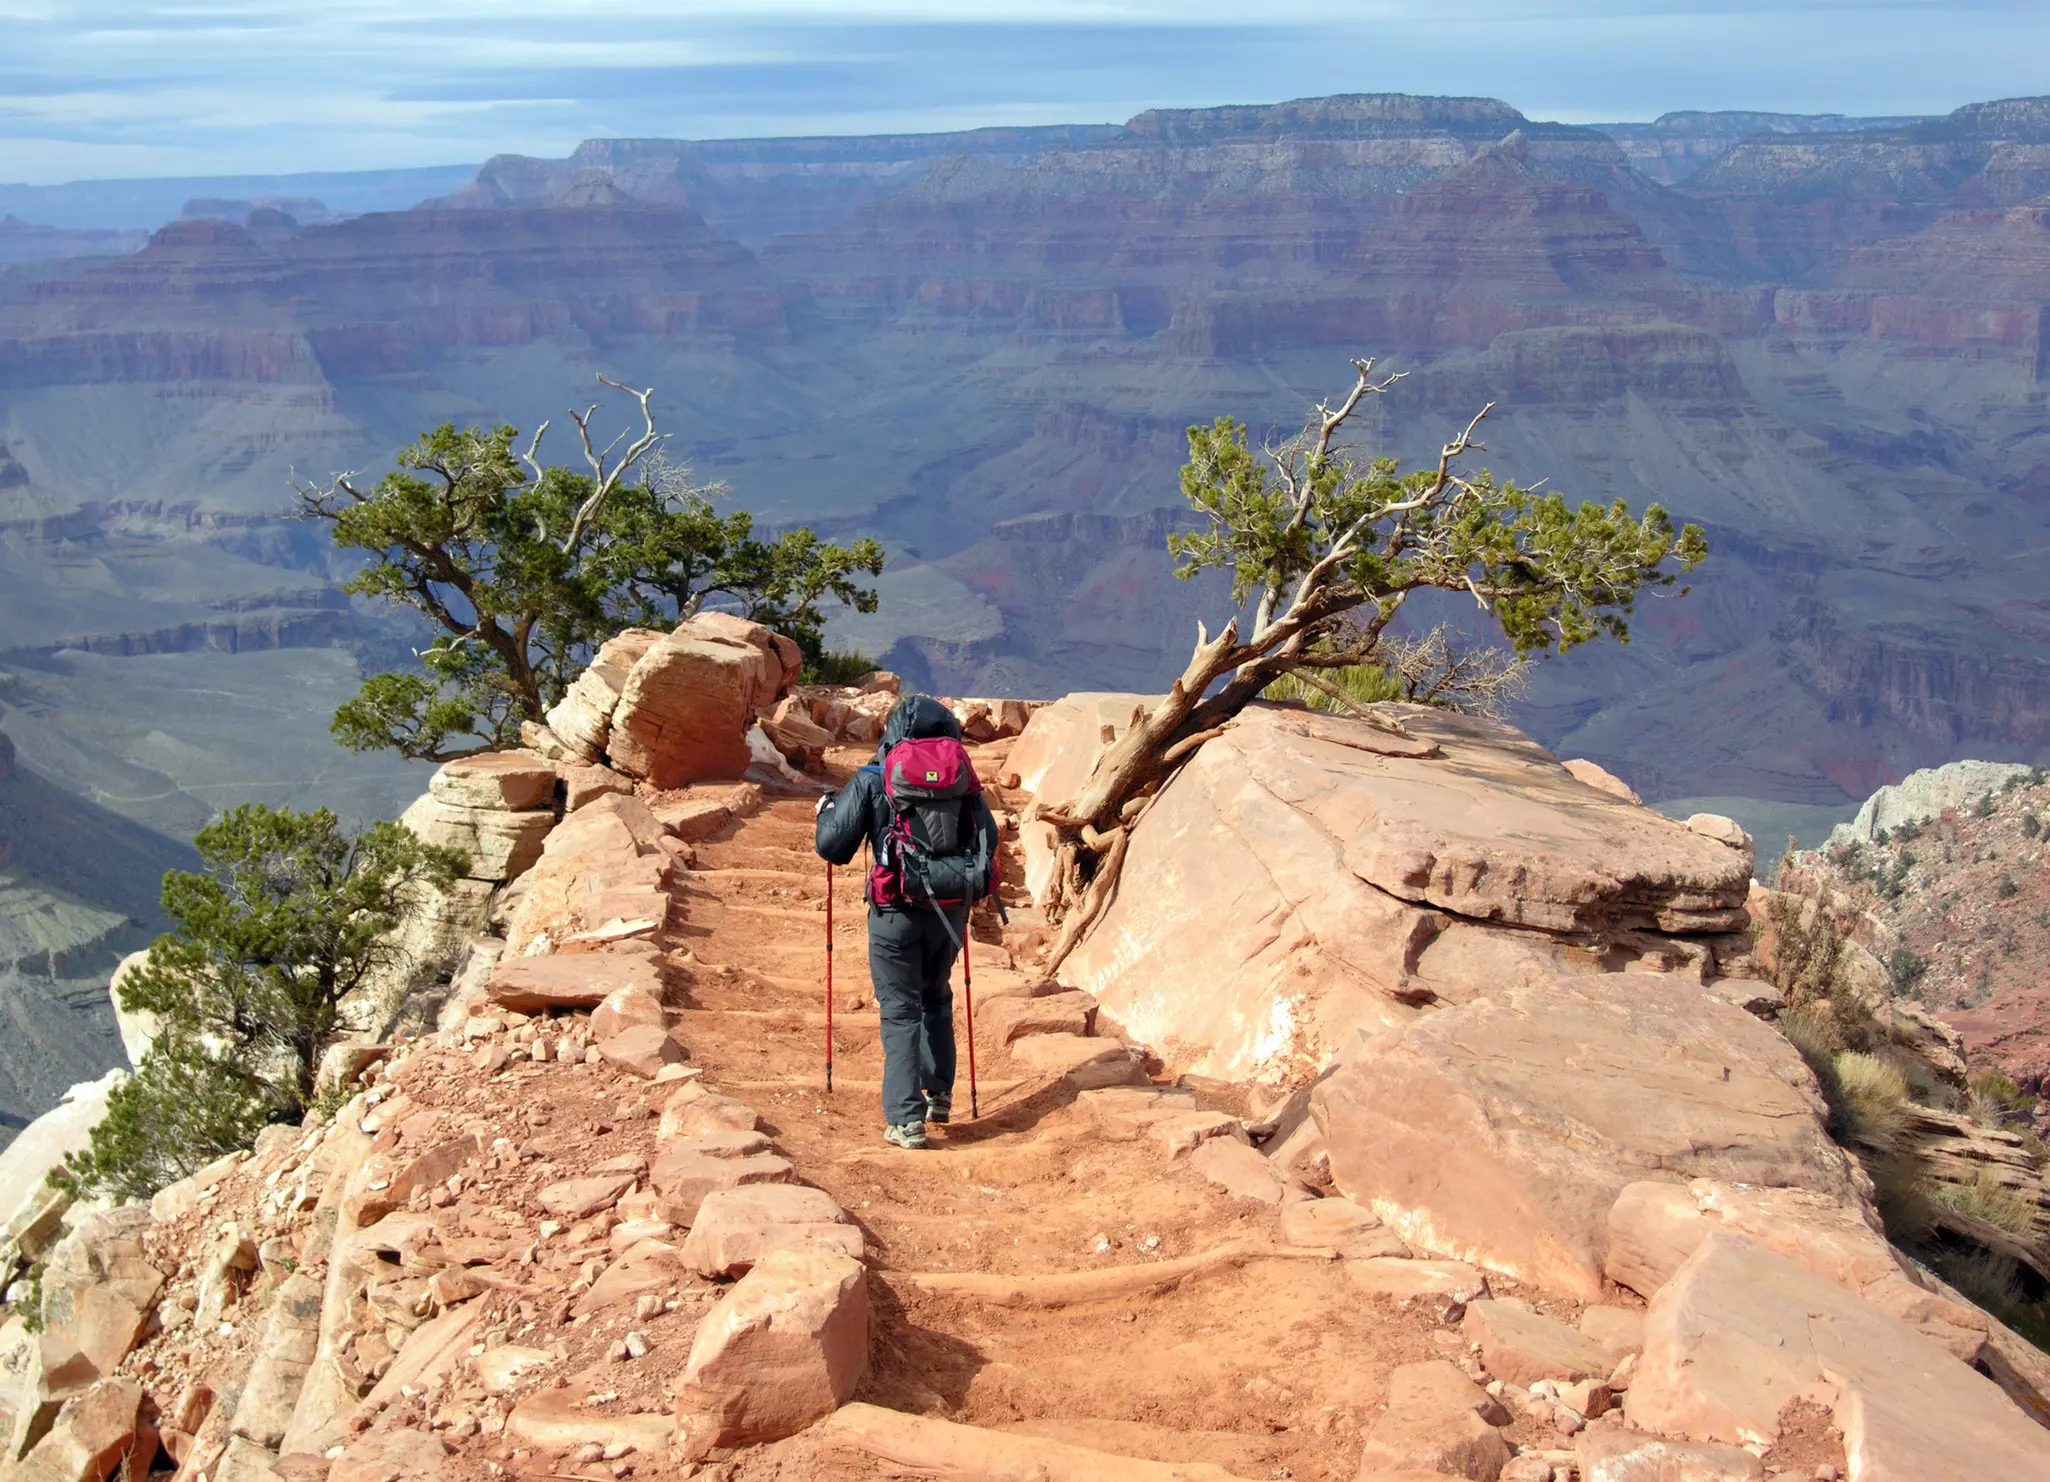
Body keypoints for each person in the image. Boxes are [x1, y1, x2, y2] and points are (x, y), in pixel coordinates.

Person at [813, 694, 1000, 1150]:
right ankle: (939, 1094)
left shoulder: (875, 777)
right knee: (936, 996)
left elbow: (834, 848)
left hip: (894, 913)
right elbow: (988, 840)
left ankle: (904, 1119)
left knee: (900, 1012)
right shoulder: (962, 778)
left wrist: (826, 812)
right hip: (950, 910)